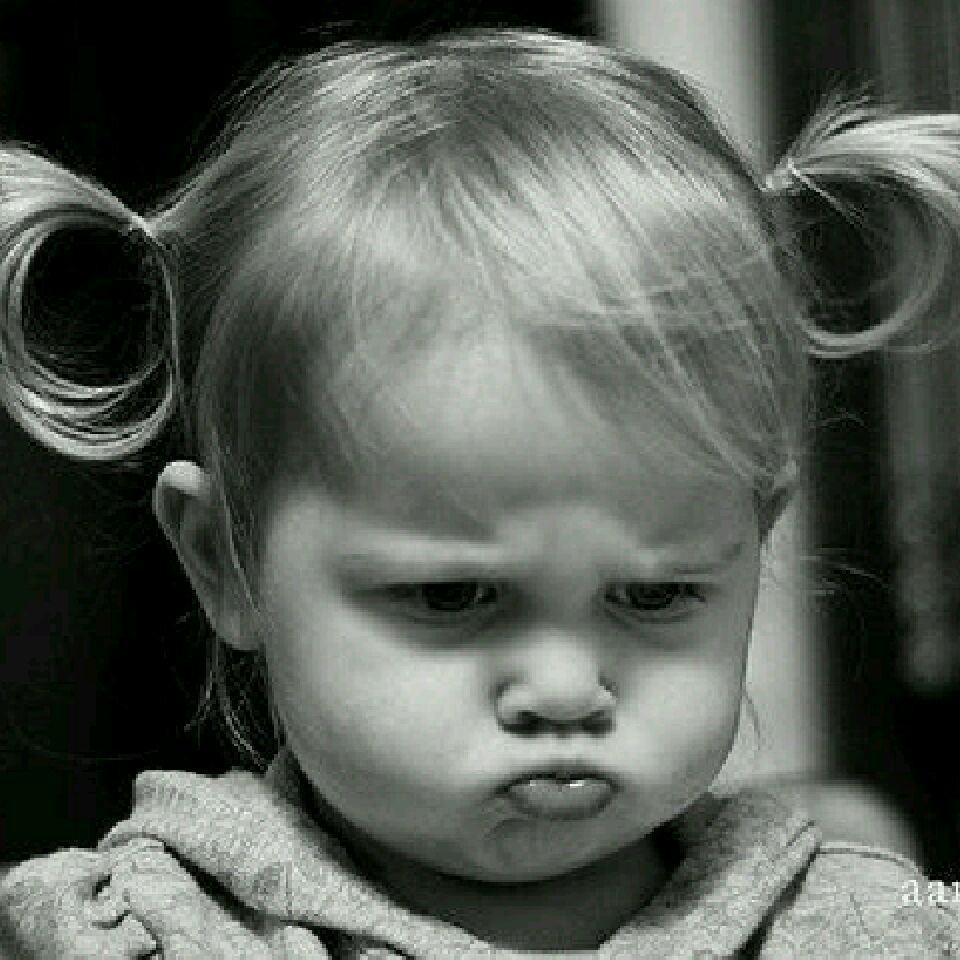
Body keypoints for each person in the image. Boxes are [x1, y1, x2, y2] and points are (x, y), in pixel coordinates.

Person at [0, 26, 958, 958]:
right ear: (227, 559)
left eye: (655, 594)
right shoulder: (145, 933)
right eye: (454, 595)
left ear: (756, 540)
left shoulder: (865, 924)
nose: (564, 693)